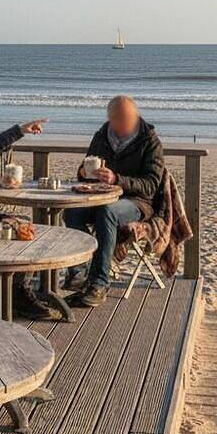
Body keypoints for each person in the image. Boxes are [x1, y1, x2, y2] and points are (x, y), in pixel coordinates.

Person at [65, 95, 165, 307]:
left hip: (136, 202)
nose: (121, 127)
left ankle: (100, 282)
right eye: (117, 122)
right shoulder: (102, 136)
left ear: (135, 118)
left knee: (106, 212)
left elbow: (151, 185)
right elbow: (87, 169)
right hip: (100, 197)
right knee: (72, 212)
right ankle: (79, 271)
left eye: (126, 121)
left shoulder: (149, 141)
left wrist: (117, 179)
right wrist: (83, 172)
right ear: (110, 118)